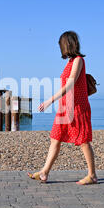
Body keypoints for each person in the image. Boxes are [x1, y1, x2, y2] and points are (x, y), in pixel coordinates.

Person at [28, 31, 97, 185]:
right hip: (65, 107)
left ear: (66, 45)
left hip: (77, 107)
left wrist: (49, 101)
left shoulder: (78, 60)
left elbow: (70, 84)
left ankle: (92, 175)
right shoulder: (70, 62)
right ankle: (44, 172)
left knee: (83, 140)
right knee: (55, 138)